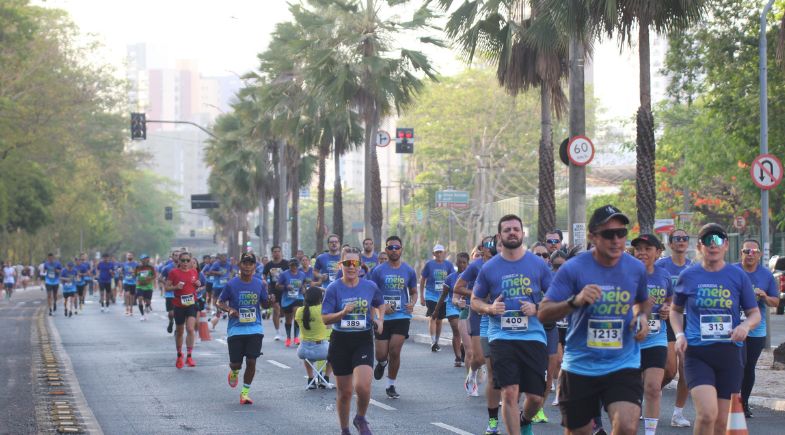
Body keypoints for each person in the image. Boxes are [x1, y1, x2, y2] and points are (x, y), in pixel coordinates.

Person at [539, 205, 650, 435]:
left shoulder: (635, 268)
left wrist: (642, 316)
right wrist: (574, 301)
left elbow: (643, 301)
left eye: (621, 233)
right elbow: (543, 312)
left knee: (628, 426)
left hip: (623, 362)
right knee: (579, 432)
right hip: (581, 365)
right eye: (609, 234)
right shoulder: (573, 269)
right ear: (593, 237)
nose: (617, 239)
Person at [670, 223, 761, 435]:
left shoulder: (738, 276)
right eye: (707, 241)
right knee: (707, 414)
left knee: (721, 423)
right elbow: (675, 311)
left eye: (718, 240)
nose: (713, 245)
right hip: (697, 354)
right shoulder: (689, 276)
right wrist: (680, 334)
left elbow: (754, 313)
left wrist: (745, 326)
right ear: (700, 246)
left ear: (726, 245)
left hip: (730, 354)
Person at [472, 214, 552, 435]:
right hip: (502, 336)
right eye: (507, 230)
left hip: (533, 336)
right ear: (500, 235)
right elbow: (475, 300)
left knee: (536, 397)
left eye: (515, 229)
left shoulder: (538, 264)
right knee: (509, 392)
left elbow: (554, 298)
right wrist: (489, 308)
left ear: (522, 233)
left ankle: (525, 419)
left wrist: (537, 309)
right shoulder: (489, 268)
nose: (512, 233)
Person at [322, 247, 385, 435]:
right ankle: (345, 429)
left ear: (360, 266)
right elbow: (325, 318)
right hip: (340, 340)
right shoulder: (333, 288)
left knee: (363, 385)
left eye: (355, 263)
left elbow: (380, 303)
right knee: (345, 392)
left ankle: (360, 417)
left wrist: (380, 319)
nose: (351, 267)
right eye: (347, 263)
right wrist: (342, 313)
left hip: (362, 338)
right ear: (341, 265)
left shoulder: (369, 286)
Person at [455, 236, 501, 434]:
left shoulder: (505, 264)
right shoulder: (475, 266)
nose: (490, 249)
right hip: (479, 313)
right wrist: (475, 294)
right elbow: (458, 287)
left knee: (493, 360)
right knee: (479, 356)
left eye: (494, 245)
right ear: (482, 249)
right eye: (487, 246)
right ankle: (472, 372)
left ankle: (495, 395)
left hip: (498, 316)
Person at [215, 252, 270, 404]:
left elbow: (265, 304)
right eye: (245, 263)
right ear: (240, 265)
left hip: (255, 328)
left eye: (251, 263)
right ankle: (234, 372)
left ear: (254, 266)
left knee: (252, 361)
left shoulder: (260, 284)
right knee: (236, 364)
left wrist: (270, 299)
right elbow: (219, 302)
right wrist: (230, 310)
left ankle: (245, 393)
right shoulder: (231, 284)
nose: (247, 266)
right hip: (236, 329)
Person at [632, 234, 673, 435]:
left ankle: (650, 433)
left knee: (653, 387)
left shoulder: (664, 275)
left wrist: (667, 307)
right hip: (629, 341)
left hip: (656, 338)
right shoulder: (625, 273)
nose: (642, 252)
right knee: (629, 392)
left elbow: (671, 297)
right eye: (638, 248)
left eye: (648, 249)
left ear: (658, 253)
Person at [367, 236, 417, 399]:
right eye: (391, 248)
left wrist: (412, 303)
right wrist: (380, 309)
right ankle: (382, 363)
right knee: (381, 354)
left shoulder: (408, 270)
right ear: (386, 250)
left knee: (395, 350)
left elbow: (414, 291)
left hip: (401, 315)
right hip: (382, 317)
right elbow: (371, 294)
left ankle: (391, 385)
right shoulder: (378, 271)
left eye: (397, 247)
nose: (394, 250)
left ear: (401, 249)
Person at [734, 239, 779, 418]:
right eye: (746, 251)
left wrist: (764, 296)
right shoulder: (733, 271)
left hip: (756, 329)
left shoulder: (766, 275)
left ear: (759, 255)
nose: (750, 254)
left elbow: (776, 302)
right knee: (736, 364)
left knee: (748, 366)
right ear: (741, 254)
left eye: (754, 252)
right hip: (735, 327)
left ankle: (744, 402)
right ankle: (730, 399)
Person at [656, 228, 694, 427]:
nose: (681, 241)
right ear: (670, 244)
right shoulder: (660, 266)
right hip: (668, 320)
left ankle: (677, 414)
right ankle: (651, 391)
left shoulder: (694, 267)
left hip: (689, 320)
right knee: (670, 370)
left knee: (686, 370)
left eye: (684, 238)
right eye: (677, 238)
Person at [433, 252, 470, 368]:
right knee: (456, 330)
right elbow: (443, 295)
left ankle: (464, 349)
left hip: (467, 307)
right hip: (452, 307)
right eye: (460, 262)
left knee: (466, 333)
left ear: (468, 263)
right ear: (456, 262)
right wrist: (436, 310)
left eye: (464, 262)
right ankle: (458, 357)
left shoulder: (472, 277)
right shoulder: (450, 278)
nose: (462, 265)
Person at [166, 251, 202, 369]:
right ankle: (179, 355)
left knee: (190, 329)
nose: (185, 262)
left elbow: (196, 286)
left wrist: (198, 284)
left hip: (191, 303)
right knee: (180, 331)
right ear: (179, 261)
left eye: (188, 260)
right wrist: (176, 287)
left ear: (191, 261)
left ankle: (189, 356)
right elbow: (167, 287)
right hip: (179, 305)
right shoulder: (173, 272)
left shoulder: (194, 272)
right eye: (183, 260)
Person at [295, 286, 334, 389]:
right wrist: (325, 291)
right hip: (321, 350)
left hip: (303, 350)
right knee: (336, 352)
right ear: (320, 298)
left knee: (308, 357)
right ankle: (325, 378)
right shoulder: (322, 309)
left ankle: (310, 379)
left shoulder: (299, 311)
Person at [420, 244, 455, 352]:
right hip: (431, 295)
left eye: (441, 252)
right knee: (433, 317)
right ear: (433, 253)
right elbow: (422, 280)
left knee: (439, 320)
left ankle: (437, 342)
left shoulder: (448, 265)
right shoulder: (429, 265)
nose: (439, 254)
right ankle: (432, 341)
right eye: (437, 252)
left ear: (444, 253)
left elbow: (453, 279)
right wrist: (422, 296)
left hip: (443, 297)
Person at [277, 258, 306, 347]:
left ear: (298, 266)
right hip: (287, 299)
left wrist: (302, 289)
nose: (294, 267)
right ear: (289, 266)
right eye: (292, 265)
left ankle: (296, 337)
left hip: (298, 298)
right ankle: (289, 338)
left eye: (295, 265)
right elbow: (277, 286)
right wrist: (286, 286)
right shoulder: (284, 274)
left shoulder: (302, 274)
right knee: (288, 320)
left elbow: (304, 287)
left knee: (297, 314)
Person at [263, 246, 288, 340]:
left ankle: (287, 329)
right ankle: (277, 332)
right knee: (276, 309)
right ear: (272, 253)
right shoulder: (269, 265)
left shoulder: (286, 263)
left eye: (278, 251)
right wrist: (264, 281)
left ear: (281, 252)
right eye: (274, 251)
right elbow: (264, 275)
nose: (276, 253)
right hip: (273, 289)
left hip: (284, 289)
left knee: (285, 312)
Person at [208, 253, 234, 329]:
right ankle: (218, 310)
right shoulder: (216, 264)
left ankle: (223, 310)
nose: (224, 258)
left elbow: (231, 271)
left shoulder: (228, 264)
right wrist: (218, 273)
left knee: (225, 298)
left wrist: (230, 277)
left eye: (225, 257)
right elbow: (210, 271)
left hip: (225, 284)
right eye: (223, 257)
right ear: (220, 258)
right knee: (216, 299)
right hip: (217, 284)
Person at [159, 250, 180, 333]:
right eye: (175, 255)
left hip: (180, 294)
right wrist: (167, 284)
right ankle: (171, 322)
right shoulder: (167, 268)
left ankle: (177, 329)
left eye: (179, 255)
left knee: (179, 313)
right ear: (172, 257)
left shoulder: (184, 267)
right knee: (171, 313)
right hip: (170, 294)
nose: (177, 257)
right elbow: (160, 278)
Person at [135, 254, 156, 321]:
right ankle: (142, 315)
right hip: (140, 286)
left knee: (148, 302)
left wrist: (150, 278)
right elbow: (135, 275)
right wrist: (137, 278)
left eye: (146, 259)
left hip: (148, 287)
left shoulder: (151, 267)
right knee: (140, 299)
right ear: (141, 260)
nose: (145, 260)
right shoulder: (137, 267)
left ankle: (147, 306)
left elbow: (155, 276)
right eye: (143, 259)